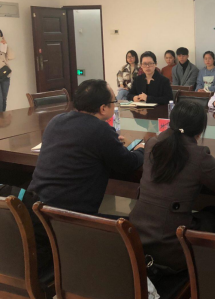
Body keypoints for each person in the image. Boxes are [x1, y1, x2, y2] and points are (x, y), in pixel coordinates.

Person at [129, 100, 215, 273]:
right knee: (212, 215)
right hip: (170, 247)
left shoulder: (152, 144)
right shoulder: (198, 155)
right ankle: (201, 271)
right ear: (200, 130)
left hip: (136, 236)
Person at [28, 80, 145, 214]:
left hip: (35, 208)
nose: (115, 104)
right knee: (134, 224)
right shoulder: (100, 130)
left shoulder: (56, 120)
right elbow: (128, 164)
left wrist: (110, 141)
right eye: (114, 101)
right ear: (103, 108)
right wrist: (141, 149)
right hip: (68, 217)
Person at [0, 30, 14, 112]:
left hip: (5, 74)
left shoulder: (3, 46)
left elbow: (11, 56)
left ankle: (3, 116)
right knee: (0, 100)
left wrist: (6, 45)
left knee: (4, 98)